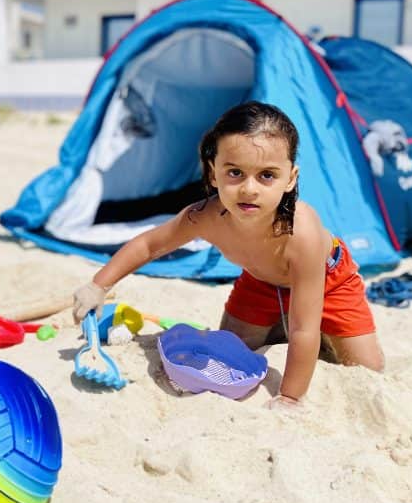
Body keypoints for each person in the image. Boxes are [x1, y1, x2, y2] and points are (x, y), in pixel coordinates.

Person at [72, 101, 384, 409]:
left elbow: (306, 328)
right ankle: (277, 322)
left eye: (266, 175)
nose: (249, 189)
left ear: (290, 178)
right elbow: (150, 245)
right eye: (235, 172)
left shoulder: (301, 233)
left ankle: (284, 324)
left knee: (367, 368)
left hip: (328, 281)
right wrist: (98, 285)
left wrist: (290, 397)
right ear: (212, 174)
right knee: (227, 353)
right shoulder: (206, 216)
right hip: (261, 283)